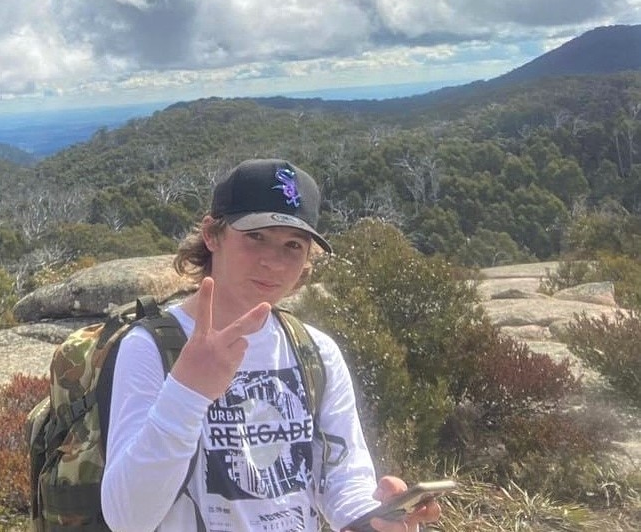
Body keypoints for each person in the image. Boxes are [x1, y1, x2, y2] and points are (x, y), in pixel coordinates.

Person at [101, 158, 441, 531]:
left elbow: (341, 480)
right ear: (212, 235)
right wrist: (186, 392)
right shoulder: (150, 347)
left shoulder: (315, 351)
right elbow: (126, 519)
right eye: (256, 237)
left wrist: (376, 514)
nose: (273, 263)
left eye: (293, 245)